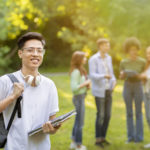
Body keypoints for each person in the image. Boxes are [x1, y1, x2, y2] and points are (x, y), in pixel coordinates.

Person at [0, 32, 60, 150]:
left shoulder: (49, 85)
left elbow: (53, 123)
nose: (35, 54)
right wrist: (12, 97)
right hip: (14, 147)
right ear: (20, 53)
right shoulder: (5, 81)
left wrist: (53, 129)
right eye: (30, 50)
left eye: (39, 50)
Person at [89, 38, 116, 148]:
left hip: (109, 90)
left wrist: (113, 82)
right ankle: (98, 139)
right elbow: (92, 75)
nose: (108, 47)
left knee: (108, 115)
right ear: (100, 46)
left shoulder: (109, 58)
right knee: (100, 115)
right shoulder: (93, 59)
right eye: (106, 45)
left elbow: (112, 73)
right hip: (99, 91)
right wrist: (103, 76)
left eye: (108, 45)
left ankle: (103, 137)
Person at [120, 37, 146, 143]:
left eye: (135, 49)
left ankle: (139, 138)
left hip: (138, 86)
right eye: (131, 50)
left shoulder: (142, 62)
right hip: (127, 85)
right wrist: (123, 74)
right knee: (129, 112)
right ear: (128, 50)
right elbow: (121, 77)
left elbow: (145, 77)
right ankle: (130, 137)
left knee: (138, 112)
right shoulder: (124, 62)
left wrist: (138, 75)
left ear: (138, 50)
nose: (133, 52)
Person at [69, 51, 91, 150]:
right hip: (78, 98)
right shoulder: (76, 72)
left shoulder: (81, 70)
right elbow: (74, 88)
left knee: (77, 121)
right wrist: (86, 82)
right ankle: (78, 145)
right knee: (80, 123)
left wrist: (87, 85)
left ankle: (73, 142)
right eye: (84, 58)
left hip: (81, 97)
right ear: (79, 59)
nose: (85, 59)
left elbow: (81, 85)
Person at [140, 46, 150, 149]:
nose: (148, 55)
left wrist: (145, 77)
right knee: (148, 117)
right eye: (147, 53)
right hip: (146, 93)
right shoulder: (147, 66)